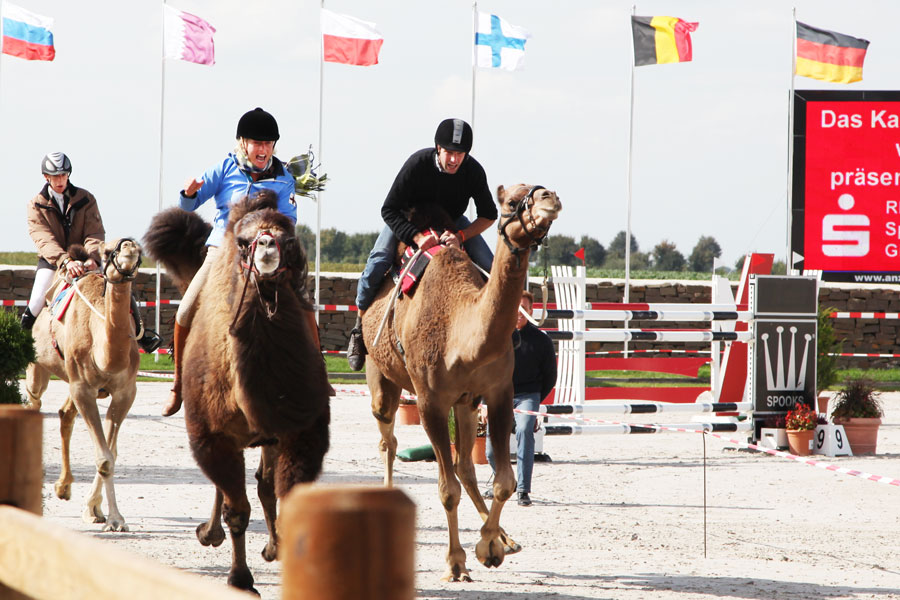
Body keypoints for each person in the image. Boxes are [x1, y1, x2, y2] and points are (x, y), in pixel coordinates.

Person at [163, 107, 330, 417]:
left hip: (267, 251)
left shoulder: (283, 177)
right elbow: (189, 204)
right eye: (256, 143)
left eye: (268, 144)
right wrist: (188, 193)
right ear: (242, 142)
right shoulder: (224, 169)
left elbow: (290, 219)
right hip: (223, 252)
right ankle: (177, 385)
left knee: (304, 302)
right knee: (186, 308)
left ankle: (318, 371)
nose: (263, 150)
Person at [346, 118, 497, 371]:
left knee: (491, 267)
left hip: (452, 219)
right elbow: (388, 209)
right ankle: (358, 329)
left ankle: (497, 335)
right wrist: (416, 237)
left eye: (460, 154)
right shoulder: (417, 164)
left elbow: (489, 215)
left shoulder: (473, 171)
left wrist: (461, 236)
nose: (454, 160)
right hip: (408, 216)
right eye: (449, 152)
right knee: (378, 260)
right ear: (438, 148)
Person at [23, 153, 160, 353]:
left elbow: (94, 232)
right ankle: (21, 345)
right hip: (53, 262)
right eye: (55, 176)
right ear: (46, 177)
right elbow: (43, 238)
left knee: (119, 284)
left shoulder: (86, 199)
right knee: (36, 301)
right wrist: (65, 260)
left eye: (63, 175)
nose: (60, 179)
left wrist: (91, 257)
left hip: (87, 259)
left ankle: (140, 335)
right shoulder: (35, 205)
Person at [484, 289, 557, 507]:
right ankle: (507, 482)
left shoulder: (542, 341)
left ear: (531, 311)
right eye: (515, 308)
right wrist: (484, 403)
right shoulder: (496, 337)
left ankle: (523, 490)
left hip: (528, 396)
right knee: (490, 452)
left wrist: (534, 404)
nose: (518, 313)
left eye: (523, 309)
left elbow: (550, 376)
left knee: (525, 430)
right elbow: (484, 372)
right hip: (497, 395)